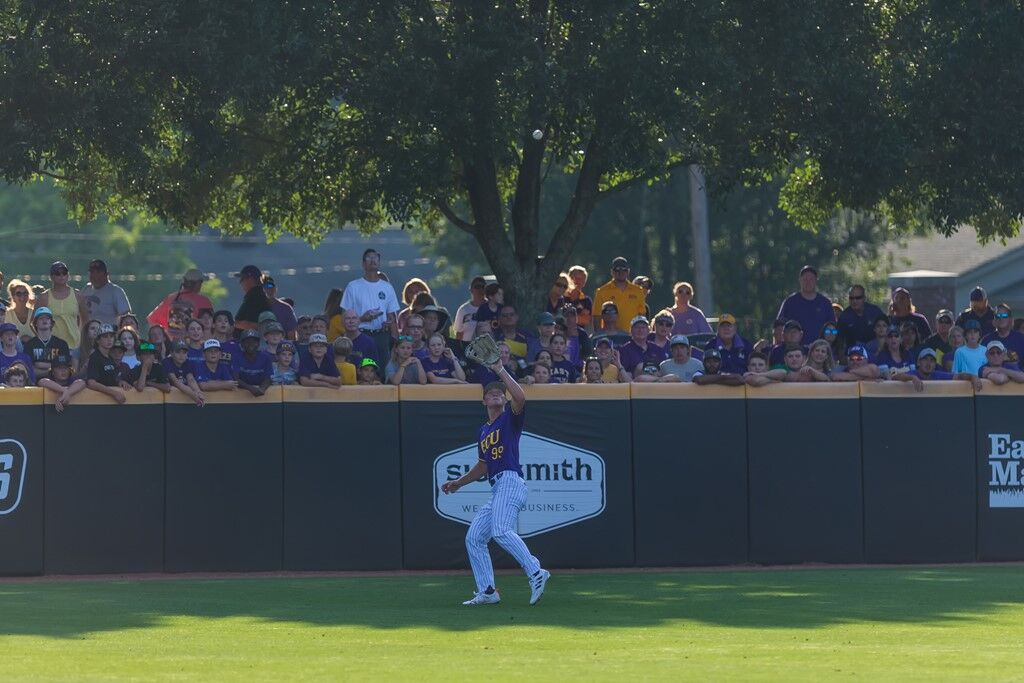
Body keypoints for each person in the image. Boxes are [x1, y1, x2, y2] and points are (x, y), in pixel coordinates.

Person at [440, 368, 550, 606]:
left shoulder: (509, 417)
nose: (496, 395)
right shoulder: (483, 430)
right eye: (491, 393)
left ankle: (535, 571)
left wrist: (500, 370)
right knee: (474, 537)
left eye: (500, 392)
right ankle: (488, 591)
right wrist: (459, 482)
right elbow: (483, 466)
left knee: (500, 531)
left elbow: (520, 398)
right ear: (483, 401)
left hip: (510, 480)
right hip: (497, 486)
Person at [341, 248, 401, 364]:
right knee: (360, 368)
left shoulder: (387, 287)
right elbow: (344, 318)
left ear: (379, 263)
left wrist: (390, 326)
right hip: (360, 334)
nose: (373, 260)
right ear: (363, 264)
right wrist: (363, 318)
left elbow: (392, 317)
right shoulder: (353, 286)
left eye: (376, 258)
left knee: (382, 369)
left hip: (381, 335)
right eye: (369, 257)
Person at [36, 261, 88, 353]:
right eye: (57, 273)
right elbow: (34, 322)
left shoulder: (77, 295)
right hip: (51, 347)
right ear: (51, 277)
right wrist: (42, 341)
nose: (61, 276)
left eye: (64, 273)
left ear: (68, 275)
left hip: (74, 346)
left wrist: (81, 339)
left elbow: (86, 320)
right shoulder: (44, 297)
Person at [775, 266, 834, 344]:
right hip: (795, 352)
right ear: (800, 280)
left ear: (816, 280)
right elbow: (779, 327)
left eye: (811, 279)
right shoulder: (790, 302)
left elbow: (833, 329)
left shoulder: (825, 303)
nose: (808, 282)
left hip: (819, 351)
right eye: (805, 279)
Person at [591, 257, 646, 332]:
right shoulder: (602, 291)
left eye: (624, 269)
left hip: (632, 336)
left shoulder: (638, 291)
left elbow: (642, 315)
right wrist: (599, 336)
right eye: (617, 270)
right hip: (610, 336)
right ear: (612, 272)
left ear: (628, 271)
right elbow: (596, 317)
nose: (621, 272)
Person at [147, 268, 213, 330]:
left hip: (173, 341)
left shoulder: (171, 298)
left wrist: (167, 336)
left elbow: (151, 319)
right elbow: (211, 324)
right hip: (196, 340)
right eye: (201, 282)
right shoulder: (204, 301)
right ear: (197, 284)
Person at [80, 259, 132, 326]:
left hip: (109, 335)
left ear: (106, 274)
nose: (95, 276)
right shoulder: (86, 290)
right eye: (92, 272)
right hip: (88, 334)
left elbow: (126, 318)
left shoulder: (116, 291)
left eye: (98, 272)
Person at [85, 323, 128, 403]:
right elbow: (91, 383)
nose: (109, 339)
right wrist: (113, 393)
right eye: (105, 337)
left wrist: (120, 382)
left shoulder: (110, 357)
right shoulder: (95, 357)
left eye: (111, 336)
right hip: (98, 401)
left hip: (109, 401)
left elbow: (111, 378)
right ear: (98, 340)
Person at [24, 307, 70, 380]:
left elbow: (64, 369)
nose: (44, 320)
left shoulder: (62, 344)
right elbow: (30, 371)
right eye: (41, 318)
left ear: (51, 323)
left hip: (58, 382)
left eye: (47, 318)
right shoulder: (29, 344)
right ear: (35, 323)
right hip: (36, 384)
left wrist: (39, 364)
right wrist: (53, 368)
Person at [162, 340, 205, 405]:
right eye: (178, 352)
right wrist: (194, 396)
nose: (181, 355)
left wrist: (198, 392)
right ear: (171, 353)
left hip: (183, 398)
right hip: (171, 401)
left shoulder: (187, 362)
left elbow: (191, 380)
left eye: (184, 352)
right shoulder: (167, 362)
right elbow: (175, 382)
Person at [233, 264, 271, 337]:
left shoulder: (255, 297)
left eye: (242, 279)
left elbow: (258, 325)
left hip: (253, 341)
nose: (240, 282)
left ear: (250, 279)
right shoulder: (258, 296)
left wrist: (235, 324)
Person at [234, 330, 274, 397]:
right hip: (240, 396)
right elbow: (235, 379)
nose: (251, 344)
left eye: (254, 341)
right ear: (242, 344)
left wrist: (262, 389)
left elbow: (268, 378)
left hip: (263, 397)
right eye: (247, 341)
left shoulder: (266, 357)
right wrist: (251, 388)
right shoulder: (236, 357)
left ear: (258, 344)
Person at [261, 276, 298, 340]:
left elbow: (291, 336)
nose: (268, 289)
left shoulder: (286, 308)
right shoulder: (253, 308)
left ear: (275, 288)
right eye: (265, 287)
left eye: (271, 286)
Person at [454, 276, 487, 342]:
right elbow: (459, 333)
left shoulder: (491, 306)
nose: (480, 289)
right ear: (471, 289)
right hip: (468, 347)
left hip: (488, 348)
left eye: (482, 287)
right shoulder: (463, 310)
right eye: (477, 287)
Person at [5, 279, 35, 343]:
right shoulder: (6, 314)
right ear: (13, 297)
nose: (22, 296)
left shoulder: (34, 313)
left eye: (25, 293)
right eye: (18, 294)